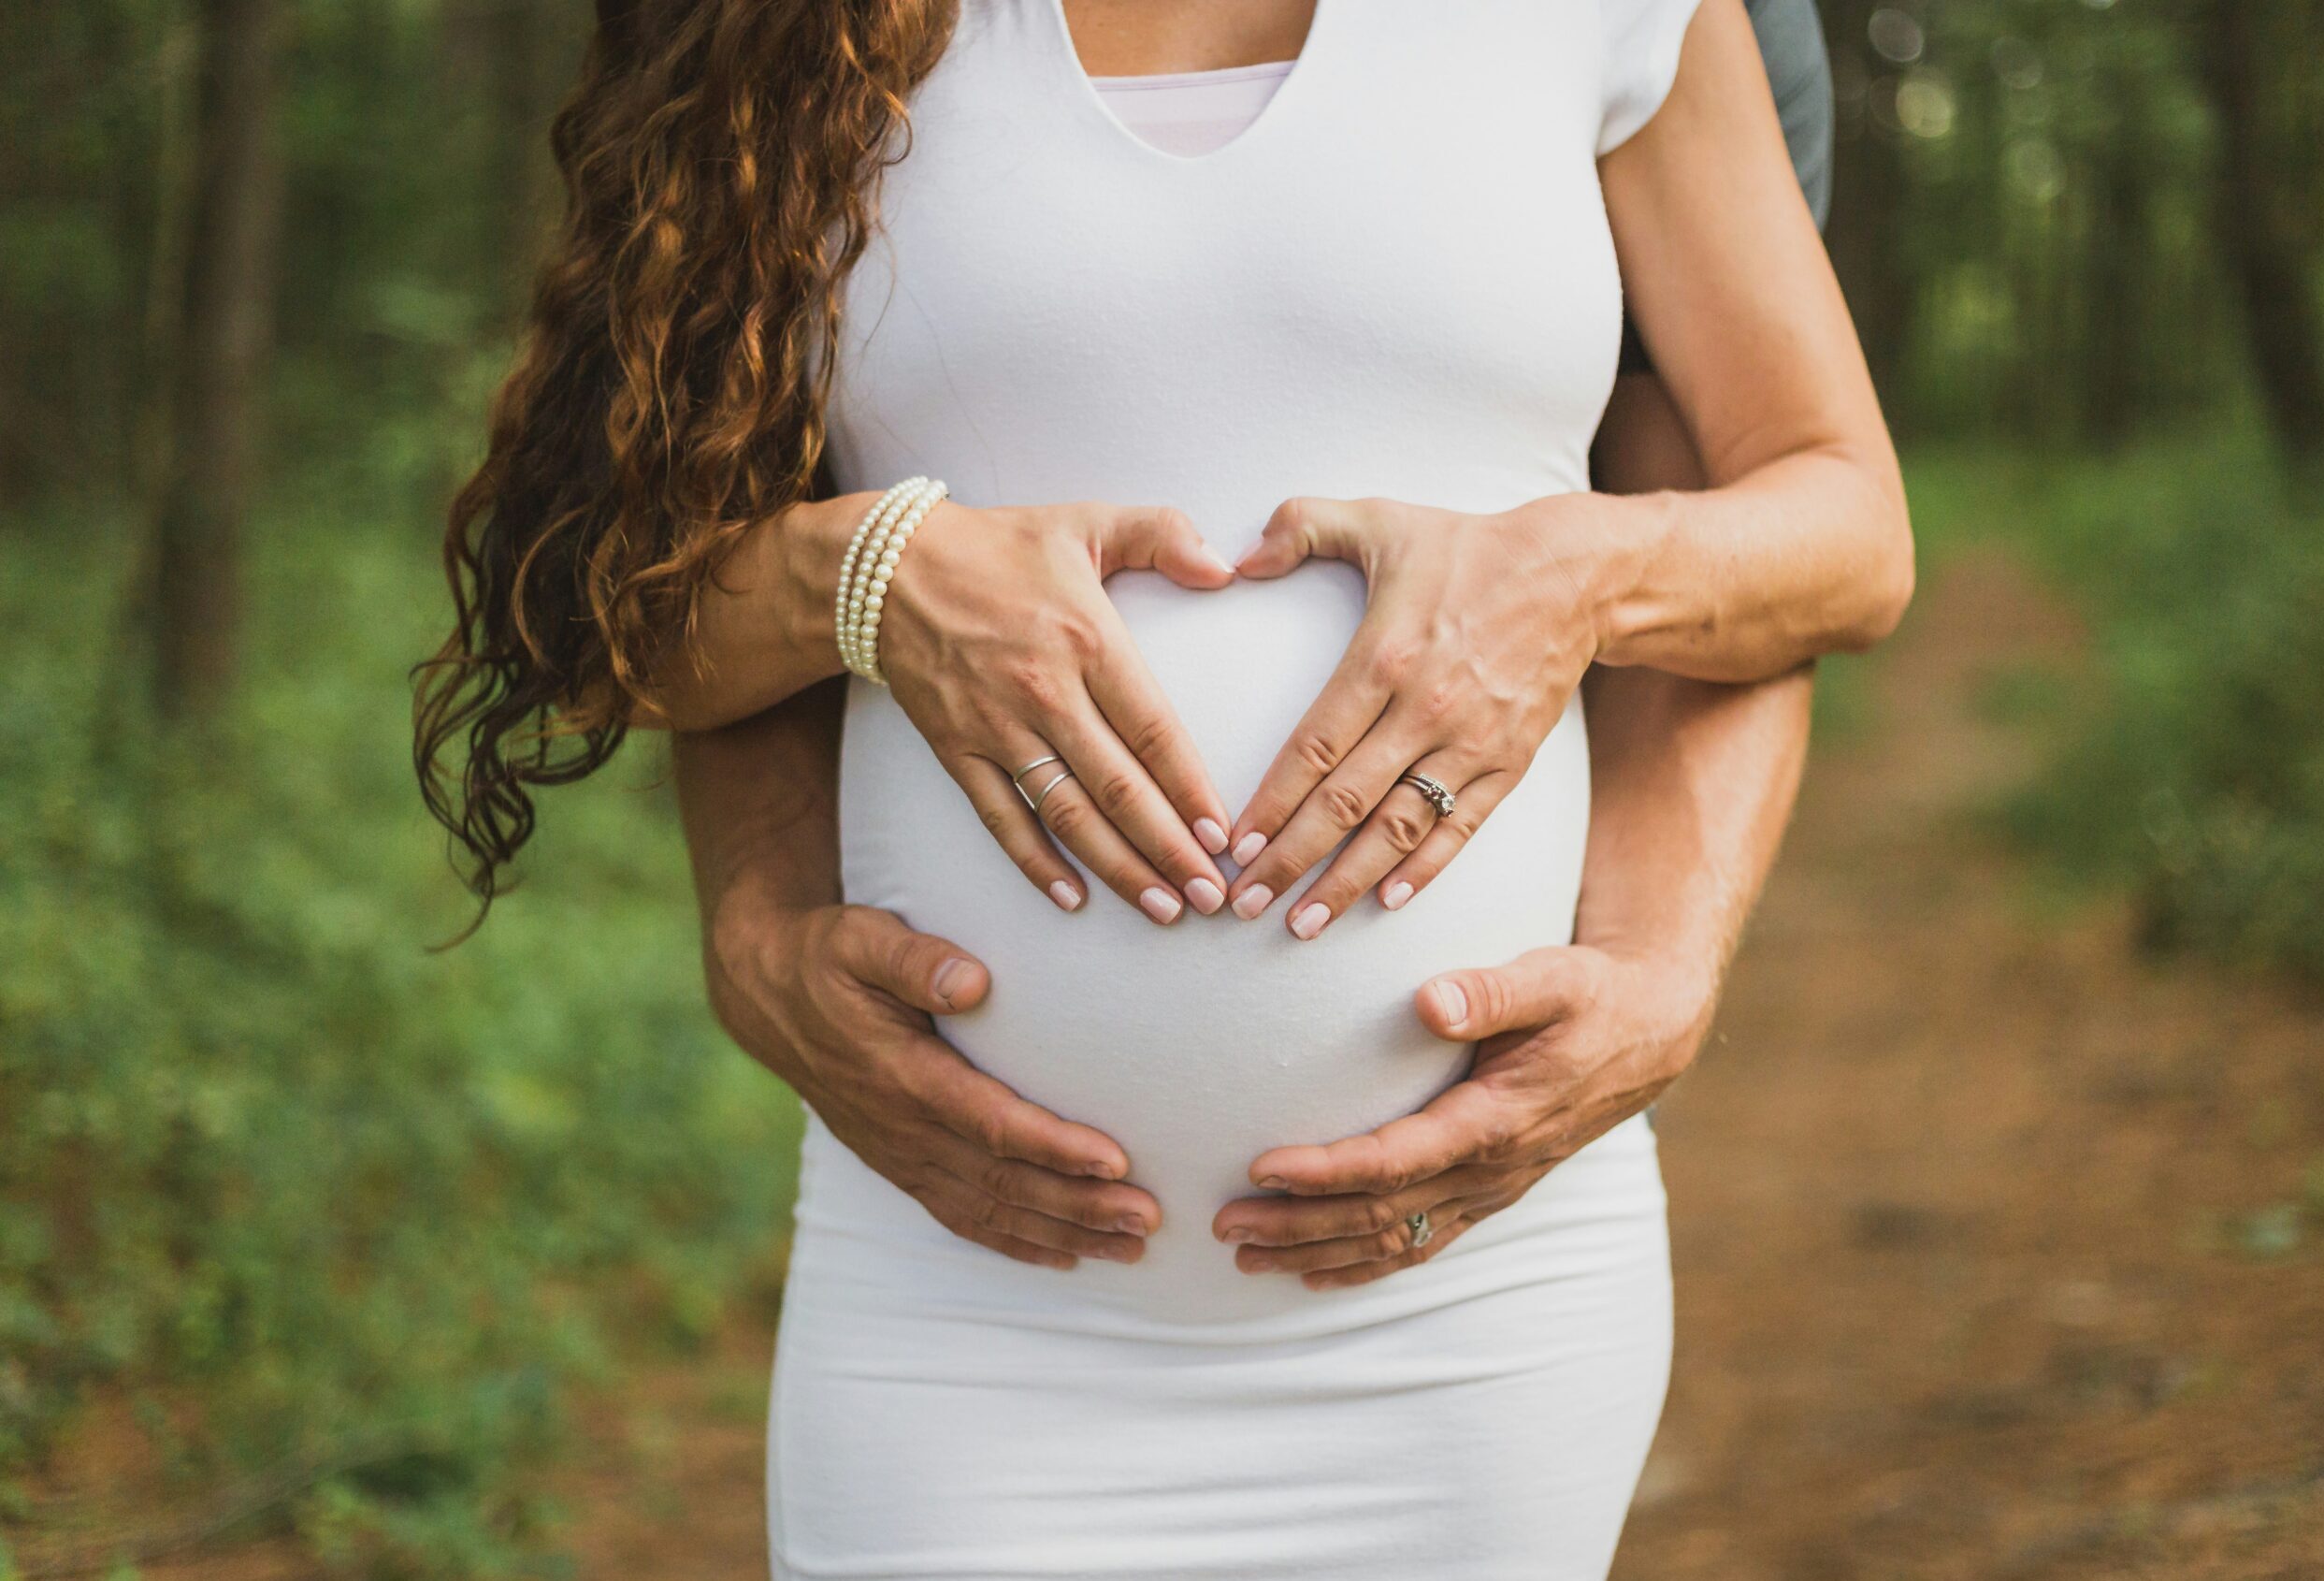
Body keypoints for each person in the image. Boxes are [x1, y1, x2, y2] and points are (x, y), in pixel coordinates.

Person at [416, 1, 1905, 1575]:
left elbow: (1839, 525)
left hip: (1470, 1306)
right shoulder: (776, 28)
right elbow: (590, 616)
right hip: (958, 1299)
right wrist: (869, 573)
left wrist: (1575, 577)